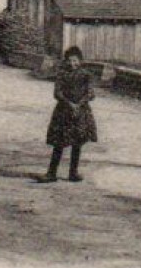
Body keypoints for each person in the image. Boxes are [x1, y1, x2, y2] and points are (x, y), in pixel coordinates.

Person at [38, 46, 98, 183]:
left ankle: (73, 173)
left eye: (75, 60)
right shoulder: (62, 74)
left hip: (81, 113)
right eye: (70, 61)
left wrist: (79, 104)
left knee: (77, 142)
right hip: (63, 112)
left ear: (80, 61)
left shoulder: (86, 75)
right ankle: (51, 173)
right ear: (66, 61)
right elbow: (57, 93)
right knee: (58, 143)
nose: (73, 64)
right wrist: (70, 104)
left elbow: (91, 93)